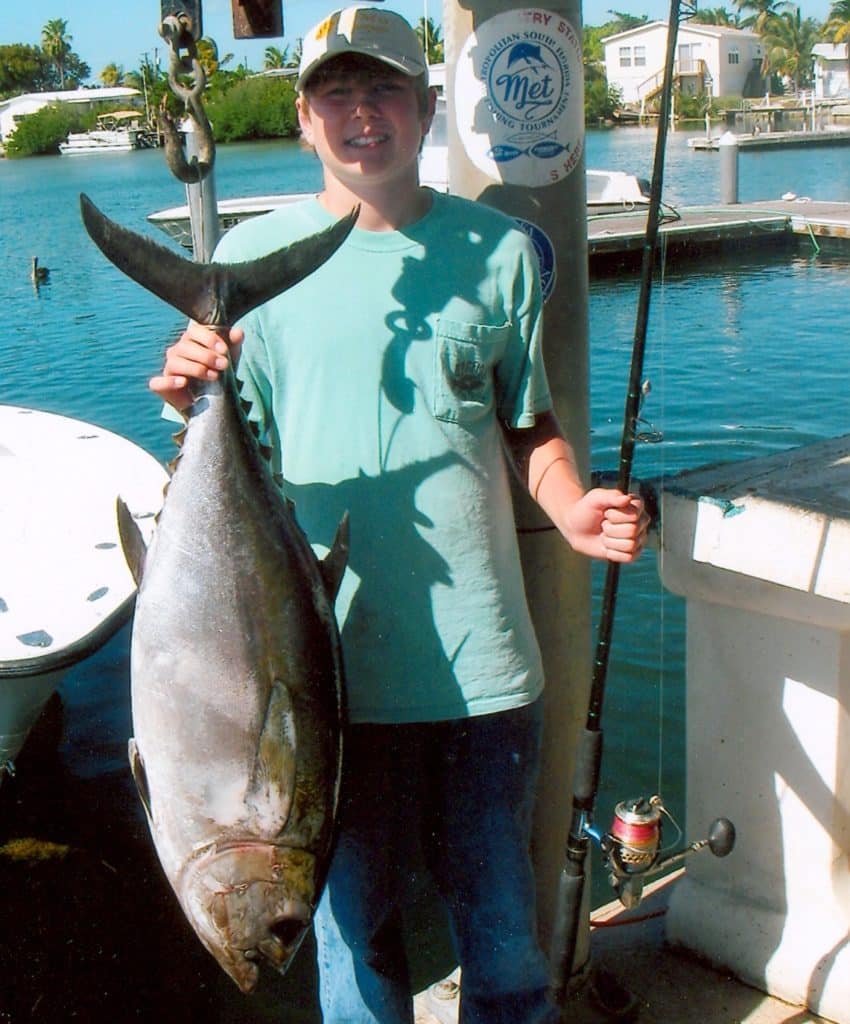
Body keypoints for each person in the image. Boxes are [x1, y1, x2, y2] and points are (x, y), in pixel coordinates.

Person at [150, 7, 648, 1022]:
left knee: (505, 946)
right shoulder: (248, 263)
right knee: (355, 954)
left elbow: (526, 428)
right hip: (318, 686)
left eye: (383, 90)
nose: (360, 113)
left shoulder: (500, 255)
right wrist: (187, 398)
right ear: (302, 117)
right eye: (336, 92)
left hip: (484, 675)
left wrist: (572, 507)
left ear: (425, 110)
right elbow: (237, 489)